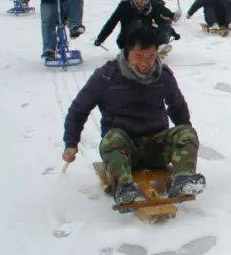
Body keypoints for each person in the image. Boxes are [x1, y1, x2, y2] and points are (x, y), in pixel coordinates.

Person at [61, 25, 205, 205]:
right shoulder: (106, 76)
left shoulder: (164, 76)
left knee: (187, 132)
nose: (145, 63)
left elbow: (177, 107)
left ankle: (183, 179)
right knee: (112, 138)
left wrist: (187, 140)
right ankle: (124, 186)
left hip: (157, 147)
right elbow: (78, 109)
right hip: (123, 151)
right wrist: (71, 143)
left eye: (150, 56)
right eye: (138, 56)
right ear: (127, 52)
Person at [94, 0, 178, 50]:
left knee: (164, 27)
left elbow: (160, 21)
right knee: (138, 24)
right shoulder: (125, 6)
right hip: (128, 38)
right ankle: (142, 49)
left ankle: (155, 48)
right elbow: (111, 23)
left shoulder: (151, 7)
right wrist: (100, 39)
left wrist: (172, 32)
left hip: (146, 36)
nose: (143, 2)